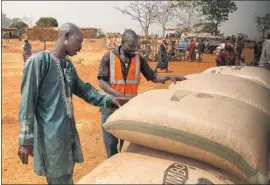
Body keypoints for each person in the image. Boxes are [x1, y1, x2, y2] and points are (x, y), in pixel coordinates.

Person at [17, 22, 123, 185]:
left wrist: (109, 99)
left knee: (65, 176)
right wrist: (25, 140)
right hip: (51, 139)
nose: (81, 47)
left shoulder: (67, 65)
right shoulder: (39, 62)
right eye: (79, 41)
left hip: (68, 135)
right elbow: (27, 102)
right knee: (59, 178)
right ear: (66, 36)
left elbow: (85, 90)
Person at [97, 29, 187, 158]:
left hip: (129, 108)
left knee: (127, 146)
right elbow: (102, 82)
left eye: (136, 45)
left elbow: (154, 77)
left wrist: (168, 77)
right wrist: (117, 94)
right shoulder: (108, 57)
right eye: (131, 45)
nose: (135, 48)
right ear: (122, 43)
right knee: (110, 144)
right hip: (110, 107)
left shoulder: (139, 59)